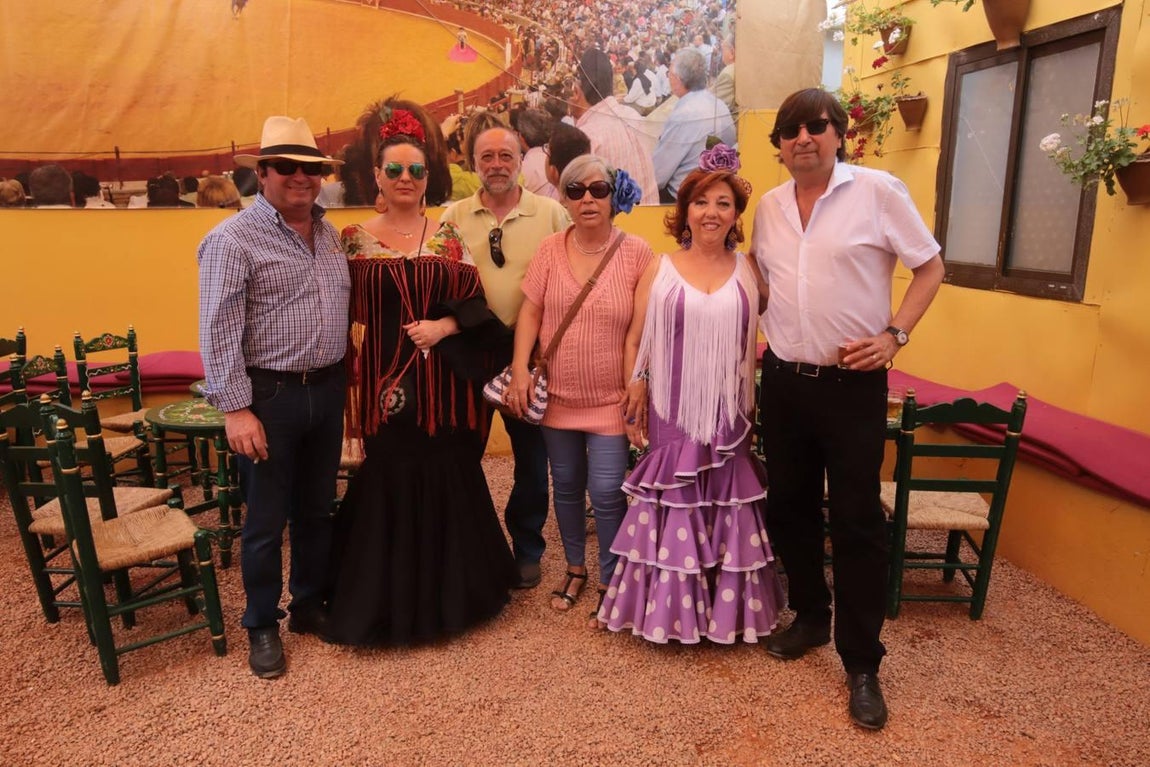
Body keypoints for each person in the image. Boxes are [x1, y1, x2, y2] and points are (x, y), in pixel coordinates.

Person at [751, 88, 945, 730]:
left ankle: (862, 661)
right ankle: (810, 614)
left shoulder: (878, 191)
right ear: (778, 145)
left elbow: (930, 266)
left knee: (859, 517)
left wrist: (895, 335)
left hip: (851, 385)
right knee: (790, 506)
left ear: (838, 134)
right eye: (790, 129)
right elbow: (760, 283)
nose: (802, 137)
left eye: (815, 125)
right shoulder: (771, 208)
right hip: (782, 381)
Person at [322, 108, 517, 646]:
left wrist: (442, 324)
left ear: (428, 177)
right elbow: (338, 315)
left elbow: (477, 308)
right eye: (395, 171)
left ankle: (457, 597)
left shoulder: (448, 234)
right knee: (391, 471)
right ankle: (386, 602)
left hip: (444, 388)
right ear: (376, 178)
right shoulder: (352, 240)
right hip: (388, 385)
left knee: (447, 469)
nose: (406, 179)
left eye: (416, 170)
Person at [597, 148, 784, 644]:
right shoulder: (660, 269)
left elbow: (783, 321)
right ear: (685, 211)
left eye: (724, 203)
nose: (712, 213)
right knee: (675, 503)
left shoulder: (751, 272)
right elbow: (636, 337)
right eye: (702, 202)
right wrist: (634, 384)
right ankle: (670, 614)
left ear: (736, 216)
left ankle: (725, 614)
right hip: (672, 408)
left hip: (729, 411)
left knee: (728, 500)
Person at [198, 115, 349, 679]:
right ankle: (261, 623)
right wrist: (236, 408)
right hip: (268, 396)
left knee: (316, 508)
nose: (299, 178)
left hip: (326, 388)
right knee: (263, 520)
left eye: (309, 168)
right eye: (285, 167)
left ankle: (307, 605)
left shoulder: (330, 234)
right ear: (261, 173)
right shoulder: (231, 240)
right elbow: (216, 332)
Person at [505, 155, 650, 626]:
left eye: (597, 189)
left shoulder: (638, 253)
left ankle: (611, 576)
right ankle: (574, 568)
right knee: (565, 486)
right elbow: (530, 312)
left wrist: (637, 383)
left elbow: (642, 330)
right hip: (558, 398)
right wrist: (520, 369)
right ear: (564, 200)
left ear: (613, 195)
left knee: (607, 490)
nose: (587, 198)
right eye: (575, 190)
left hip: (610, 400)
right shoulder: (550, 249)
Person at [440, 125, 569, 591]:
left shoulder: (552, 213)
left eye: (505, 155)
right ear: (473, 162)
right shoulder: (451, 217)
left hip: (528, 353)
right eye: (486, 155)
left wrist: (539, 354)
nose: (496, 164)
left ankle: (527, 548)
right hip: (470, 353)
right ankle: (469, 548)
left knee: (532, 460)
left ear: (521, 159)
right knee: (460, 454)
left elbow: (569, 278)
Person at [571, 48, 658, 205]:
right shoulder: (633, 116)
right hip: (652, 222)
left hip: (619, 227)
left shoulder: (586, 136)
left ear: (576, 92)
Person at [652, 48, 735, 202]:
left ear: (677, 78)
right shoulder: (720, 105)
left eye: (669, 74)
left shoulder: (684, 113)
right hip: (720, 189)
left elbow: (658, 176)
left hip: (686, 198)